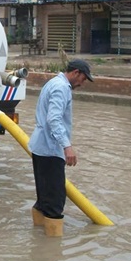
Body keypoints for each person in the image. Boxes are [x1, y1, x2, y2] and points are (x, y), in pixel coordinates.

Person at [28, 59, 94, 237]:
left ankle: (38, 240)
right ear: (76, 73)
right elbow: (54, 119)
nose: (83, 83)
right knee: (55, 202)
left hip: (40, 147)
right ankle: (52, 251)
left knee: (44, 198)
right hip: (50, 150)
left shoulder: (53, 82)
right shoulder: (61, 88)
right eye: (83, 78)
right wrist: (67, 147)